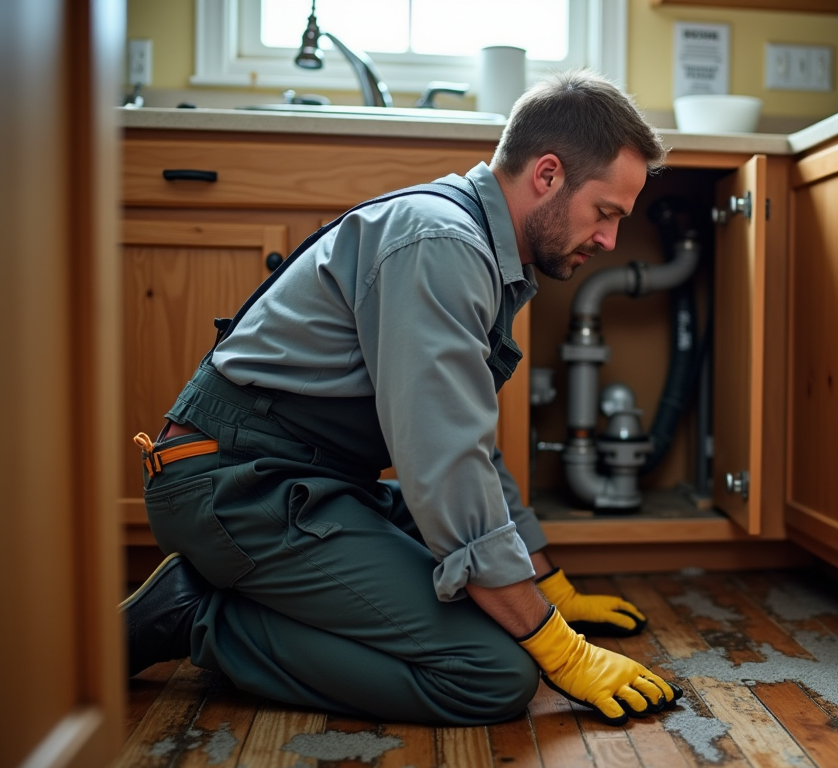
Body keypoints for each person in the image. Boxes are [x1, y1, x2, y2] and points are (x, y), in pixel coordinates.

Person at [120, 70, 680, 727]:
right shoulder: (443, 245)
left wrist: (547, 591)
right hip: (235, 488)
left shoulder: (477, 248)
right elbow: (446, 469)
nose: (611, 240)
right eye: (606, 213)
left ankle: (245, 592)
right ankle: (199, 615)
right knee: (493, 675)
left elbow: (469, 450)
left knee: (500, 598)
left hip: (304, 478)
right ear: (548, 174)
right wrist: (561, 649)